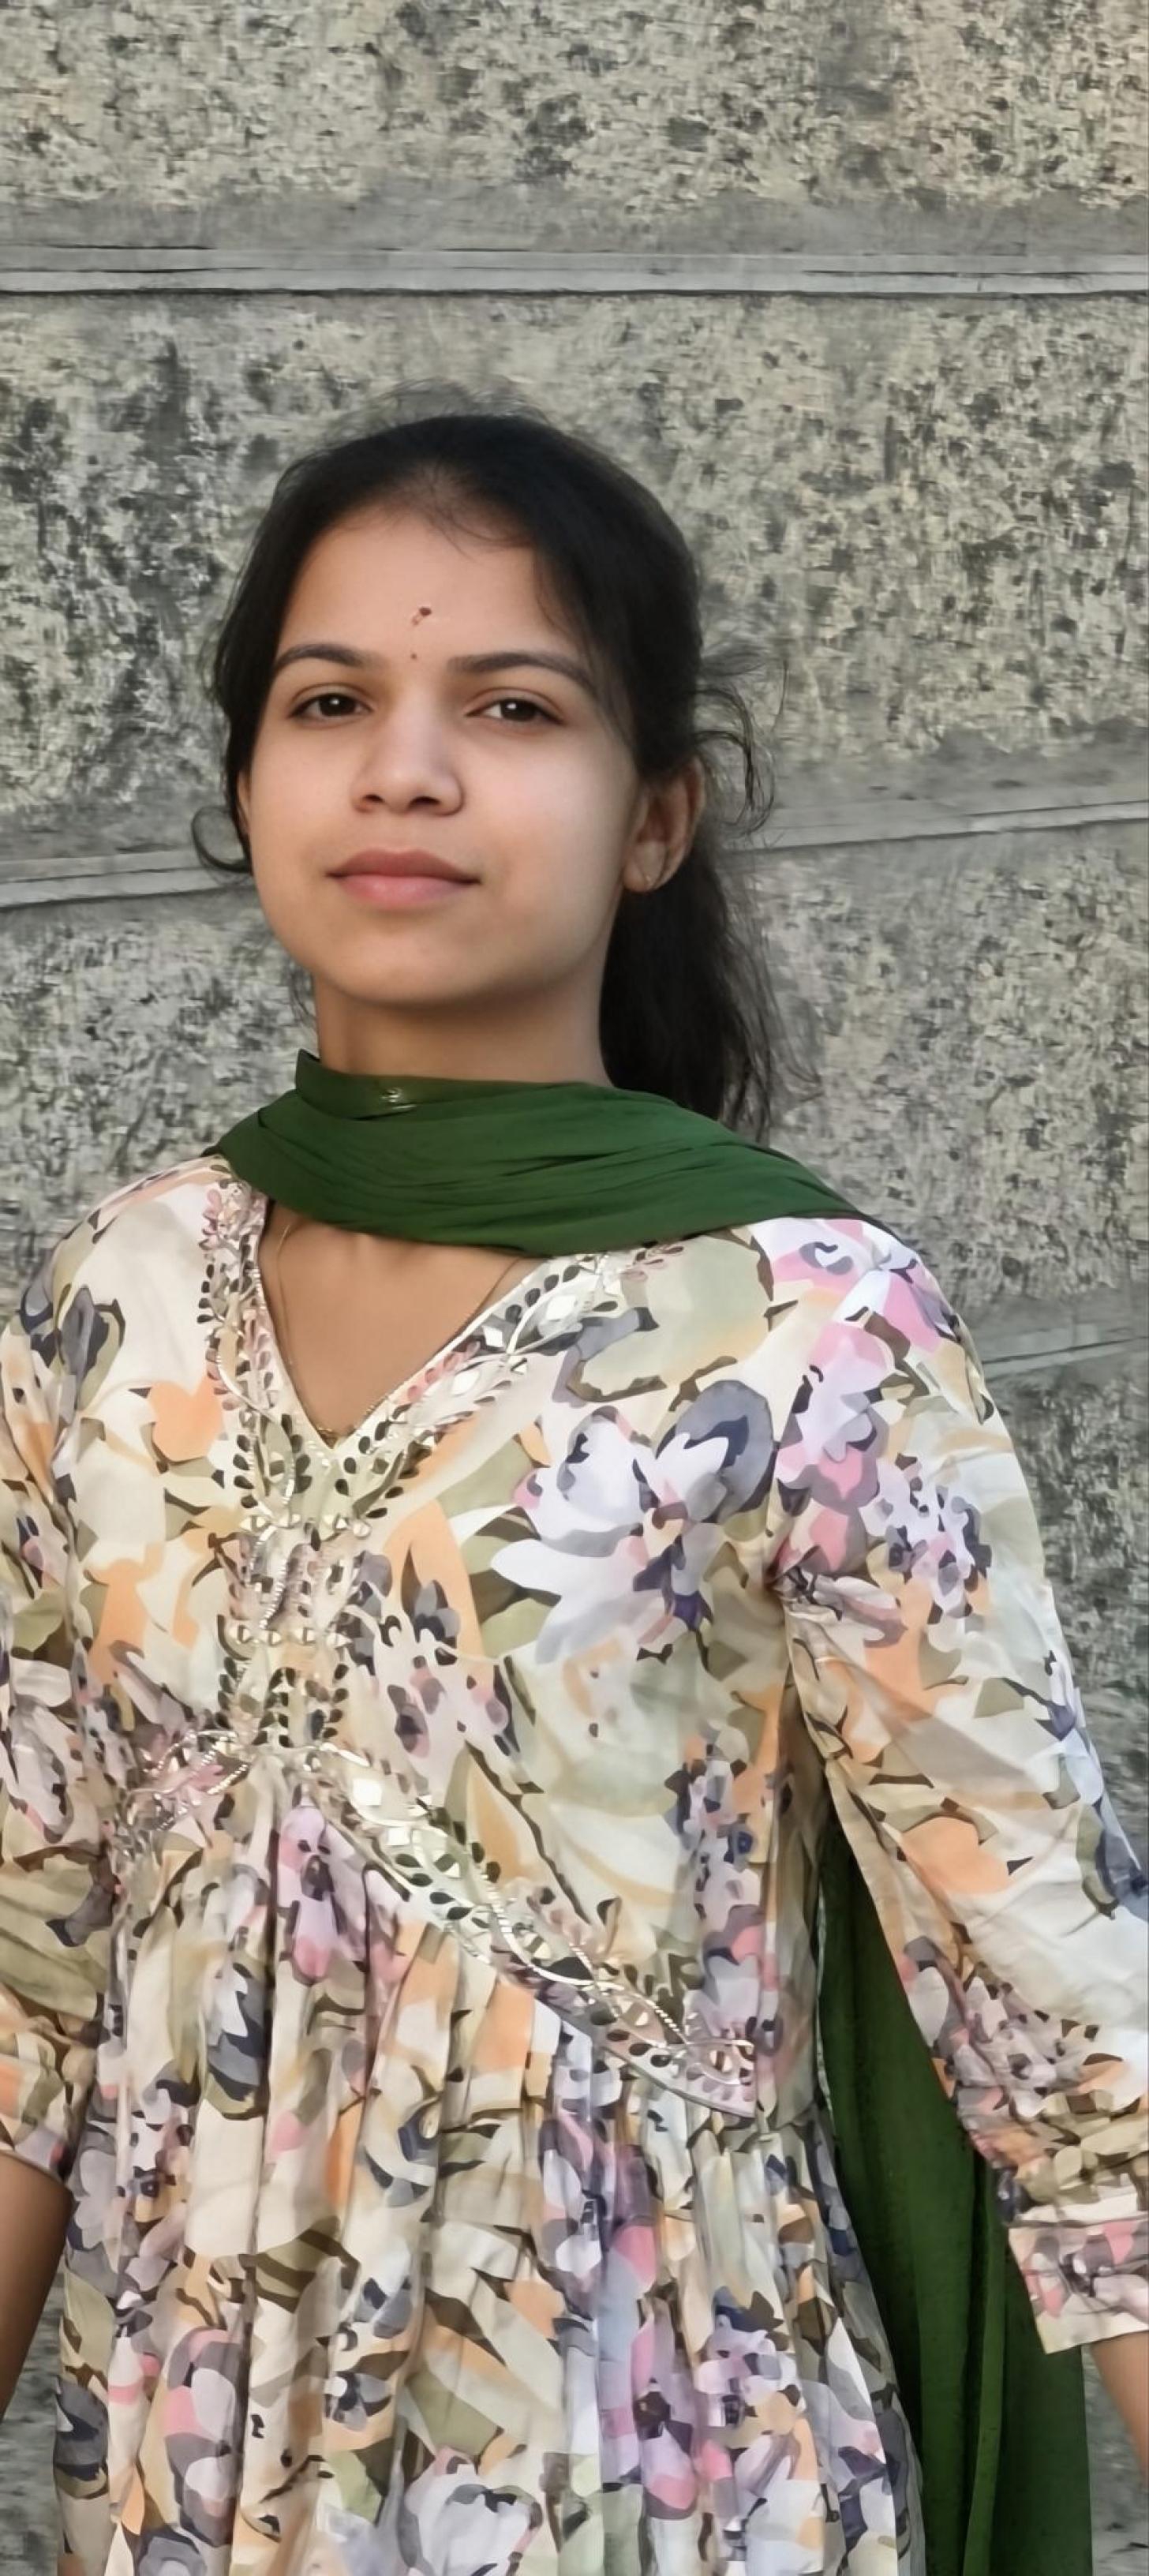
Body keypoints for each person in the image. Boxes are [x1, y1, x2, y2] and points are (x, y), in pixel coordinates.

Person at [0, 389, 1145, 2576]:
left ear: (655, 818)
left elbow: (1070, 2038)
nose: (406, 769)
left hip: (657, 2469)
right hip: (187, 2485)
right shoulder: (114, 1302)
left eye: (514, 706)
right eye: (331, 701)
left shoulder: (798, 1326)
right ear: (247, 782)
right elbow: (29, 1976)